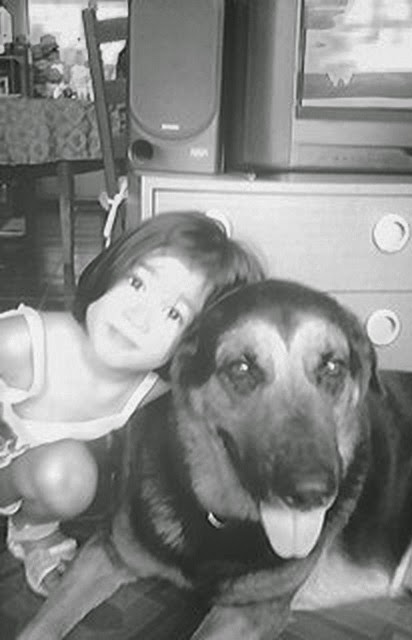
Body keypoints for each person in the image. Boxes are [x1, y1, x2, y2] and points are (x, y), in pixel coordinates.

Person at [0, 210, 264, 596]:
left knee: (70, 476)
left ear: (193, 344)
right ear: (111, 271)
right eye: (137, 283)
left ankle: (31, 529)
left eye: (173, 313)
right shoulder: (19, 344)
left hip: (17, 474)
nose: (137, 316)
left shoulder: (150, 391)